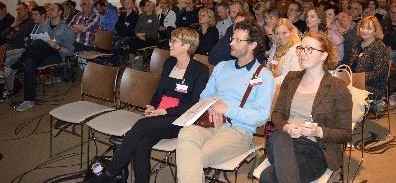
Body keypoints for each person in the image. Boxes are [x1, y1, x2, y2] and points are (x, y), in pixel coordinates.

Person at [88, 27, 209, 183]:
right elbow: (159, 92)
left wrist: (164, 111)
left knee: (140, 126)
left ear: (186, 46)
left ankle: (111, 173)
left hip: (180, 119)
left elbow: (194, 104)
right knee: (141, 145)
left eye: (174, 41)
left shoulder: (200, 70)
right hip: (159, 115)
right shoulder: (170, 62)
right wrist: (152, 106)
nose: (170, 44)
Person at [176, 20, 275, 183]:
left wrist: (226, 109)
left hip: (238, 131)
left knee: (192, 157)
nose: (231, 43)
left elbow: (261, 116)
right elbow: (204, 95)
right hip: (211, 123)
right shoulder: (222, 66)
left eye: (238, 40)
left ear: (252, 45)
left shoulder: (264, 76)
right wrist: (212, 108)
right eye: (232, 38)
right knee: (186, 133)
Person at [261, 31, 352, 183]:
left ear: (324, 55)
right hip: (283, 143)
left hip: (314, 149)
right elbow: (277, 114)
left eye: (309, 49)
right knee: (280, 136)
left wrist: (319, 131)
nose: (303, 53)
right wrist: (287, 126)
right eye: (301, 48)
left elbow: (345, 133)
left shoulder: (338, 88)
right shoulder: (291, 78)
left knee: (268, 177)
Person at [12, 3, 75, 111]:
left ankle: (16, 66)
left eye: (53, 9)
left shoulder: (66, 29)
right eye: (49, 9)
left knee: (39, 43)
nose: (49, 11)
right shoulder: (44, 25)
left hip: (56, 56)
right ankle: (29, 100)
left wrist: (58, 46)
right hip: (40, 55)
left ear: (60, 12)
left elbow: (70, 52)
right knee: (29, 62)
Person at [348, 16, 390, 103]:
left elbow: (378, 73)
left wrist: (357, 79)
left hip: (373, 87)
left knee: (344, 91)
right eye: (362, 27)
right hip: (354, 82)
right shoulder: (357, 45)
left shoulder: (379, 47)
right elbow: (350, 66)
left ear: (375, 31)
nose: (364, 30)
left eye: (369, 28)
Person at [266, 18, 301, 85]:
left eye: (284, 33)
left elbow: (291, 77)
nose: (280, 37)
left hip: (286, 88)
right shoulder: (276, 48)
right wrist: (256, 81)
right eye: (277, 33)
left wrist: (267, 82)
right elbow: (267, 70)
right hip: (271, 83)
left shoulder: (297, 49)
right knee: (250, 84)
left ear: (291, 32)